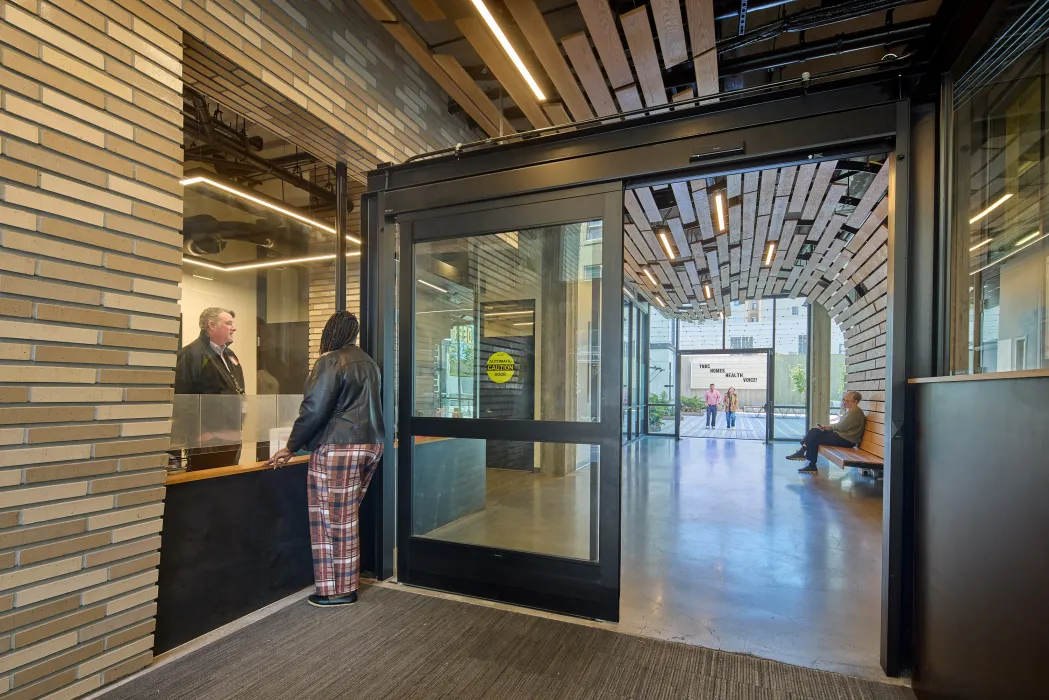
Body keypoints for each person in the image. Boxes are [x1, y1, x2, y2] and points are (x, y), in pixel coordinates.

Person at [266, 311, 385, 608]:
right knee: (346, 518)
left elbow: (314, 408)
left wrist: (291, 445)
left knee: (331, 521)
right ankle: (346, 584)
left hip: (339, 446)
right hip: (371, 444)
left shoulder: (331, 360)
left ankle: (337, 590)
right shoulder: (369, 363)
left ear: (331, 333)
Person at [173, 308, 245, 470]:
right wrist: (199, 433)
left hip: (231, 437)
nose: (234, 328)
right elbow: (182, 400)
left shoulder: (230, 355)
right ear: (211, 325)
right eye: (228, 323)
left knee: (229, 482)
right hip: (207, 440)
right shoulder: (191, 354)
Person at [787, 391, 866, 473]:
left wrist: (827, 427)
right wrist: (826, 427)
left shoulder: (855, 412)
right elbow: (841, 426)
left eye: (847, 401)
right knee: (814, 431)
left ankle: (810, 462)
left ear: (855, 401)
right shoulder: (851, 411)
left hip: (846, 440)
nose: (844, 402)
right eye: (844, 400)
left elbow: (840, 427)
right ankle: (803, 453)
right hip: (841, 436)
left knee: (815, 438)